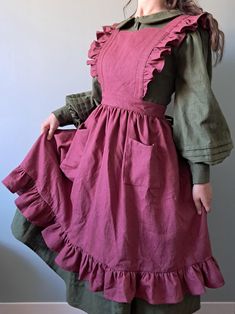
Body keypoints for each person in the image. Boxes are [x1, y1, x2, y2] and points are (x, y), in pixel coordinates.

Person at [2, 0, 234, 313]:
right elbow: (100, 97)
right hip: (98, 156)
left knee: (140, 245)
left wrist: (200, 176)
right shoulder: (113, 34)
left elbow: (195, 105)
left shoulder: (186, 31)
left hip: (147, 160)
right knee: (103, 237)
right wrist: (61, 114)